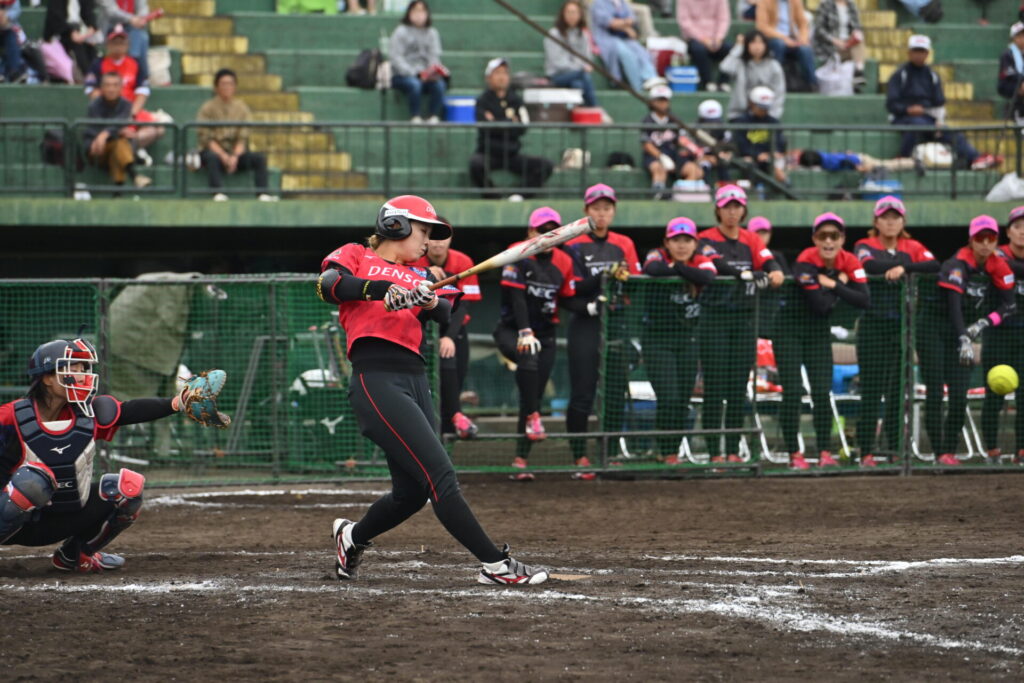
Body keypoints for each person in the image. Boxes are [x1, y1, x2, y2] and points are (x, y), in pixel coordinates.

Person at [316, 194, 548, 585]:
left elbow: (445, 310)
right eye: (422, 232)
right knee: (441, 474)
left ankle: (351, 537)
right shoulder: (357, 254)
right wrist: (381, 290)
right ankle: (496, 565)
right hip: (376, 379)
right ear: (396, 225)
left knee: (412, 492)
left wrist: (426, 299)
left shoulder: (424, 274)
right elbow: (329, 284)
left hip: (415, 379)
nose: (427, 242)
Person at [0, 337, 200, 572]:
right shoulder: (11, 416)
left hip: (60, 518)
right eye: (72, 368)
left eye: (84, 368)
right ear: (46, 377)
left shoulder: (88, 413)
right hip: (14, 520)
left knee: (126, 489)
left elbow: (129, 411)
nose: (82, 375)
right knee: (32, 482)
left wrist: (180, 401)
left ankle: (75, 555)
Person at [916, 215, 1016, 466]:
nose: (985, 244)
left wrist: (984, 323)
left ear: (996, 241)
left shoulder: (998, 265)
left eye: (990, 239)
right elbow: (954, 307)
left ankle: (950, 450)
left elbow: (1009, 304)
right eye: (979, 239)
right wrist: (964, 338)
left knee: (960, 393)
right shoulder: (957, 264)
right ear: (971, 240)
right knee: (936, 391)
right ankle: (939, 452)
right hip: (935, 328)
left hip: (966, 330)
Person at [697, 184, 784, 463]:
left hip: (744, 319)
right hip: (714, 317)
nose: (732, 212)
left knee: (737, 387)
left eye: (737, 207)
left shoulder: (751, 239)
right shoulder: (705, 237)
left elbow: (768, 262)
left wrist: (774, 272)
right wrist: (745, 274)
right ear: (718, 210)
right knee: (715, 386)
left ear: (744, 210)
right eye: (727, 207)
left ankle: (733, 451)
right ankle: (714, 453)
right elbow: (715, 263)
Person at [778, 212, 869, 469]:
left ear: (842, 239)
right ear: (815, 239)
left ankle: (824, 452)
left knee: (821, 391)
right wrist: (841, 287)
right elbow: (821, 305)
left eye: (834, 236)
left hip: (818, 332)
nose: (828, 241)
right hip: (788, 330)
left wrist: (835, 282)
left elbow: (864, 299)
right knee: (793, 392)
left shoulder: (848, 260)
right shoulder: (805, 261)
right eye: (823, 236)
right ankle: (794, 454)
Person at [562, 183, 641, 475]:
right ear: (586, 211)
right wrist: (604, 278)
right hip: (585, 321)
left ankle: (609, 454)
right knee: (583, 391)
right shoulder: (573, 244)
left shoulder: (624, 243)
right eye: (596, 208)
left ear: (614, 211)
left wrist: (621, 278)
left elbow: (635, 279)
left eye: (607, 208)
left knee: (614, 390)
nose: (602, 213)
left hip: (616, 320)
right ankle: (579, 456)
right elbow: (570, 288)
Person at [852, 196, 938, 467]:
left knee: (896, 392)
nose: (890, 222)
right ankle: (865, 451)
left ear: (903, 221)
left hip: (900, 328)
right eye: (885, 218)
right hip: (872, 326)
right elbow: (867, 265)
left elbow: (934, 265)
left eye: (895, 217)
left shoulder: (911, 246)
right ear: (876, 221)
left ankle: (894, 450)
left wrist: (905, 267)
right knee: (871, 390)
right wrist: (896, 267)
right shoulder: (865, 245)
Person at [494, 207, 577, 481]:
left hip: (546, 334)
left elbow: (566, 297)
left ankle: (521, 459)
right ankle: (532, 416)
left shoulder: (564, 261)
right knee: (528, 359)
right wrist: (525, 331)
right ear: (531, 232)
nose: (547, 236)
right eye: (542, 231)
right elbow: (517, 299)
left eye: (553, 231)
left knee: (534, 394)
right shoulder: (517, 252)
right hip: (511, 330)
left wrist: (591, 304)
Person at [641, 217, 718, 463]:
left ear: (695, 243)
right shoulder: (657, 254)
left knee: (683, 399)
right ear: (667, 242)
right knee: (669, 397)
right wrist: (683, 271)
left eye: (687, 240)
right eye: (676, 240)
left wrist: (680, 269)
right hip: (658, 340)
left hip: (688, 340)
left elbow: (709, 276)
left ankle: (672, 452)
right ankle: (665, 451)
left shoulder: (700, 259)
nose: (682, 245)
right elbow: (652, 269)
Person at [886, 35, 1000, 170]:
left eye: (922, 51)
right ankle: (904, 157)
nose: (919, 55)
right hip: (903, 118)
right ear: (909, 52)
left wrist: (938, 120)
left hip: (928, 118)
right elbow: (891, 104)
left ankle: (975, 158)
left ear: (927, 53)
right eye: (916, 51)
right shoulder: (900, 75)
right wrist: (907, 109)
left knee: (951, 132)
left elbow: (939, 101)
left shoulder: (932, 76)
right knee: (917, 125)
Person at [409, 229, 482, 440]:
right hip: (421, 328)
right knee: (426, 389)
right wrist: (427, 275)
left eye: (443, 238)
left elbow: (463, 306)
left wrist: (449, 336)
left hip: (454, 329)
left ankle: (450, 431)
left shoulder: (462, 261)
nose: (438, 244)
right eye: (433, 238)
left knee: (453, 372)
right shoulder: (415, 261)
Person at [469, 58, 553, 198]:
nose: (502, 77)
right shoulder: (482, 100)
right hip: (489, 152)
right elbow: (485, 127)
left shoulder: (516, 100)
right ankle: (493, 197)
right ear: (488, 78)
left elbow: (522, 127)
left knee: (545, 165)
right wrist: (509, 122)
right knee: (475, 164)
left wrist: (496, 122)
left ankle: (519, 195)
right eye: (497, 73)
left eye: (505, 73)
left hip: (512, 153)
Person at [980, 205, 1024, 465]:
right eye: (1017, 227)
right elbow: (999, 265)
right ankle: (992, 451)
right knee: (993, 395)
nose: (1022, 232)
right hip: (998, 334)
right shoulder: (997, 255)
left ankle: (1021, 451)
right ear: (1009, 232)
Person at [84, 25, 163, 164]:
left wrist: (129, 116)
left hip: (131, 112)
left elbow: (142, 92)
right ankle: (131, 148)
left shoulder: (135, 63)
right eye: (115, 42)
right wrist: (112, 115)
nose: (118, 46)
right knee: (113, 131)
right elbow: (92, 91)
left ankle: (133, 144)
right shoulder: (98, 63)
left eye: (121, 42)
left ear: (127, 44)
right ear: (108, 44)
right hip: (107, 114)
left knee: (160, 128)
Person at [195, 68, 276, 202]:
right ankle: (217, 192)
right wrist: (223, 156)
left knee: (259, 159)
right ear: (216, 87)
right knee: (211, 157)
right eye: (223, 84)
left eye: (230, 83)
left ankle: (262, 193)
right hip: (214, 151)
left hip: (235, 153)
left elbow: (242, 137)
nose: (227, 87)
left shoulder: (242, 108)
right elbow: (206, 138)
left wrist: (234, 157)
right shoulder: (207, 108)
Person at [82, 71, 151, 189]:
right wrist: (113, 132)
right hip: (97, 150)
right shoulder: (94, 105)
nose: (111, 89)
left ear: (121, 88)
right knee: (120, 142)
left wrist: (106, 133)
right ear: (102, 87)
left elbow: (121, 122)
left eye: (115, 85)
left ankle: (119, 189)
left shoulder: (126, 105)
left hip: (115, 148)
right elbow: (97, 130)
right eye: (107, 85)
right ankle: (134, 176)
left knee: (119, 145)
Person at [641, 84, 704, 199]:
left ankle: (682, 196)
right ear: (652, 102)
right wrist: (661, 157)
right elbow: (647, 144)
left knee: (694, 170)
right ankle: (658, 195)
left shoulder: (673, 119)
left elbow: (681, 139)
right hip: (655, 155)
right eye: (659, 100)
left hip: (673, 153)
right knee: (659, 168)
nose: (662, 104)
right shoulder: (647, 120)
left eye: (664, 101)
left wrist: (692, 149)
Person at [389, 1, 447, 123]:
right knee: (414, 84)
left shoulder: (432, 33)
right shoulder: (400, 32)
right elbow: (396, 58)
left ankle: (434, 116)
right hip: (402, 75)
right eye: (416, 10)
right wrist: (414, 73)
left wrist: (431, 72)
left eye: (422, 11)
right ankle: (415, 115)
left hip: (426, 75)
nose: (419, 14)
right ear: (409, 13)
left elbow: (434, 56)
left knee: (439, 85)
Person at [589, 0, 665, 93]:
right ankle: (638, 87)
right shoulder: (599, 3)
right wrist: (626, 26)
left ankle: (651, 77)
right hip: (606, 39)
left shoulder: (622, 2)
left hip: (624, 37)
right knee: (627, 54)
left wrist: (624, 25)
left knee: (640, 51)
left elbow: (632, 18)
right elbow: (610, 23)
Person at [720, 29, 786, 121]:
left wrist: (773, 115)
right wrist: (739, 46)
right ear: (747, 45)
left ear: (766, 45)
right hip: (740, 114)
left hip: (766, 114)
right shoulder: (740, 63)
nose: (757, 47)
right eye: (753, 42)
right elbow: (725, 67)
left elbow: (779, 92)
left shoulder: (774, 66)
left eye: (760, 43)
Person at [545, 0, 598, 107]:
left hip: (577, 75)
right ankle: (597, 109)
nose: (571, 16)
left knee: (577, 84)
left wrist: (582, 67)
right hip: (557, 75)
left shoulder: (583, 35)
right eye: (568, 12)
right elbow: (557, 62)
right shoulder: (554, 34)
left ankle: (580, 115)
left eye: (574, 12)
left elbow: (587, 58)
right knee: (584, 75)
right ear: (563, 14)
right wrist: (580, 68)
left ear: (580, 15)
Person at [755, 0, 816, 91]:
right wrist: (784, 38)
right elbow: (762, 26)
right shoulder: (764, 2)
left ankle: (811, 84)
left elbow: (803, 23)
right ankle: (774, 82)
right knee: (779, 44)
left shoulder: (795, 2)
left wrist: (803, 39)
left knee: (805, 49)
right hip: (772, 39)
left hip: (792, 39)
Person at [732, 85, 788, 184]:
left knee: (777, 163)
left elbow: (780, 143)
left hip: (769, 157)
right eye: (760, 107)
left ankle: (785, 186)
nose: (763, 111)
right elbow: (741, 145)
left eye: (766, 108)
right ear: (752, 104)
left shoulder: (773, 122)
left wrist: (773, 152)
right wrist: (757, 155)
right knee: (749, 163)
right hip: (750, 157)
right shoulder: (741, 121)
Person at [676, 0, 731, 91]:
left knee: (730, 48)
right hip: (693, 38)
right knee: (699, 50)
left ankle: (723, 82)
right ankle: (707, 82)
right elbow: (685, 22)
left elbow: (723, 19)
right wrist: (703, 39)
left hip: (716, 39)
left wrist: (718, 38)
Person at [811, 0, 866, 91]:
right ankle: (857, 75)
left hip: (848, 44)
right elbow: (819, 30)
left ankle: (859, 72)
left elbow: (858, 27)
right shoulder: (825, 5)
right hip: (829, 46)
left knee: (859, 42)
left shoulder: (851, 5)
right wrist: (835, 41)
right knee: (856, 47)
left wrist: (853, 37)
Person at [44, 0, 100, 80]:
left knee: (91, 50)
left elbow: (90, 17)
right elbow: (55, 19)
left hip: (82, 35)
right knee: (78, 48)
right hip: (61, 37)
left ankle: (94, 79)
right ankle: (84, 78)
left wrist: (89, 32)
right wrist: (71, 32)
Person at [96, 0, 151, 75]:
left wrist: (141, 19)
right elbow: (111, 12)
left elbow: (143, 9)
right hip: (110, 27)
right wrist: (131, 19)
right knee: (140, 37)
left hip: (131, 27)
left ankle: (138, 72)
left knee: (141, 36)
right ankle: (139, 73)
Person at [695, 98, 735, 185]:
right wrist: (706, 157)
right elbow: (692, 148)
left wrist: (726, 154)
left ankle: (727, 189)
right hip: (702, 158)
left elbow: (730, 146)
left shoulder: (724, 130)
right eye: (709, 122)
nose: (712, 125)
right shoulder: (695, 130)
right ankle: (706, 190)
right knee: (704, 164)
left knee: (723, 163)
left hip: (719, 157)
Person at [997, 22, 1024, 125]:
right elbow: (1010, 74)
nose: (1022, 38)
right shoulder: (1007, 54)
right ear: (1013, 38)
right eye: (1019, 36)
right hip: (1011, 87)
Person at [0, 0, 27, 83]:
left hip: (8, 28)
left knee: (12, 36)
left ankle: (14, 72)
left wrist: (6, 16)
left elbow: (17, 10)